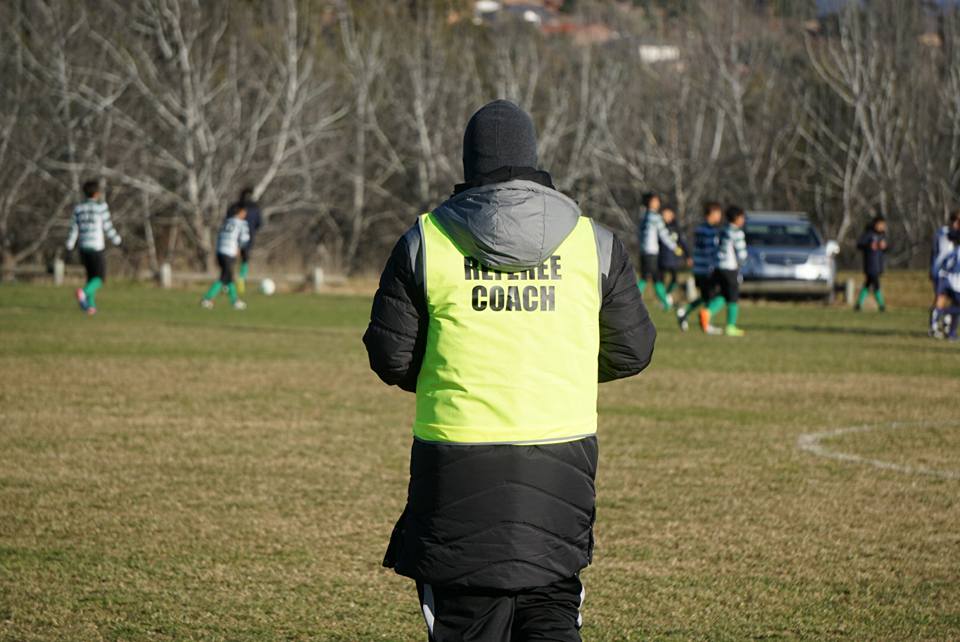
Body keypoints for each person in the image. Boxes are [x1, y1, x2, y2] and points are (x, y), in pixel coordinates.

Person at [363, 100, 656, 642]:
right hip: (561, 469)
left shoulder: (425, 241)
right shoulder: (594, 243)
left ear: (469, 163)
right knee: (550, 616)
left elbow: (391, 357)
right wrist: (553, 363)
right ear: (534, 157)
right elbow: (632, 350)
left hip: (455, 476)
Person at [65, 180, 122, 316]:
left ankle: (90, 306)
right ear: (97, 193)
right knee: (100, 279)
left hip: (83, 247)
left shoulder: (79, 209)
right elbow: (107, 227)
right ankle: (83, 293)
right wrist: (118, 241)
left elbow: (74, 229)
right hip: (96, 247)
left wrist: (69, 245)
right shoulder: (101, 207)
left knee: (91, 278)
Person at [701, 206, 748, 337]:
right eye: (742, 217)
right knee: (733, 298)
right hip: (730, 268)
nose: (743, 220)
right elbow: (741, 253)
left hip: (718, 267)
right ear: (737, 218)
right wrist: (743, 263)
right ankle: (730, 326)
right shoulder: (737, 233)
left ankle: (707, 311)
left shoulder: (721, 230)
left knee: (723, 294)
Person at [676, 202, 722, 333]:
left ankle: (684, 311)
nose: (719, 217)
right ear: (712, 214)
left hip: (698, 269)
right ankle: (706, 325)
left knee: (706, 296)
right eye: (718, 214)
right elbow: (710, 251)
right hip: (707, 269)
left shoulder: (699, 229)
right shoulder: (710, 231)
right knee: (713, 297)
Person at [201, 207, 250, 310]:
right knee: (224, 278)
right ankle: (207, 298)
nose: (245, 214)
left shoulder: (226, 222)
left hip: (220, 252)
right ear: (240, 212)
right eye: (244, 212)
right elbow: (245, 239)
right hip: (229, 252)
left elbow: (219, 237)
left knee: (229, 278)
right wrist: (239, 249)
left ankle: (235, 301)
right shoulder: (242, 223)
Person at [637, 191, 677, 310]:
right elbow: (664, 235)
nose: (658, 203)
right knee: (651, 278)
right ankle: (665, 303)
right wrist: (674, 247)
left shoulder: (643, 216)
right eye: (655, 201)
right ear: (650, 203)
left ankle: (665, 302)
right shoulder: (655, 217)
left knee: (650, 277)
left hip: (643, 250)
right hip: (652, 252)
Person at [224, 187, 262, 295]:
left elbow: (227, 221)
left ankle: (227, 283)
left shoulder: (234, 207)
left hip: (232, 239)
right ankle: (241, 278)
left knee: (230, 261)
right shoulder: (255, 208)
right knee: (245, 260)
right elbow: (259, 223)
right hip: (248, 238)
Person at [929, 210, 960, 335]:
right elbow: (951, 236)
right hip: (940, 271)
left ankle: (947, 326)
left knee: (952, 300)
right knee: (940, 299)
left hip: (952, 274)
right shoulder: (944, 232)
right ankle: (934, 327)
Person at [855, 214, 888, 312]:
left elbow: (886, 249)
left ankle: (858, 304)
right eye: (881, 224)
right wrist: (869, 245)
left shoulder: (882, 235)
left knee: (868, 284)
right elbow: (859, 244)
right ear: (876, 224)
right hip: (870, 264)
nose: (883, 226)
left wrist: (884, 247)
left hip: (878, 264)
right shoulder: (869, 234)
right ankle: (882, 305)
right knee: (875, 284)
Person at [658, 205, 691, 301]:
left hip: (673, 259)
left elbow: (682, 242)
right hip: (661, 258)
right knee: (660, 280)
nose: (665, 216)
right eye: (663, 215)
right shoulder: (660, 227)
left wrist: (688, 256)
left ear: (672, 215)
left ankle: (666, 296)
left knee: (674, 280)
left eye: (667, 214)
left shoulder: (676, 228)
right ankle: (664, 299)